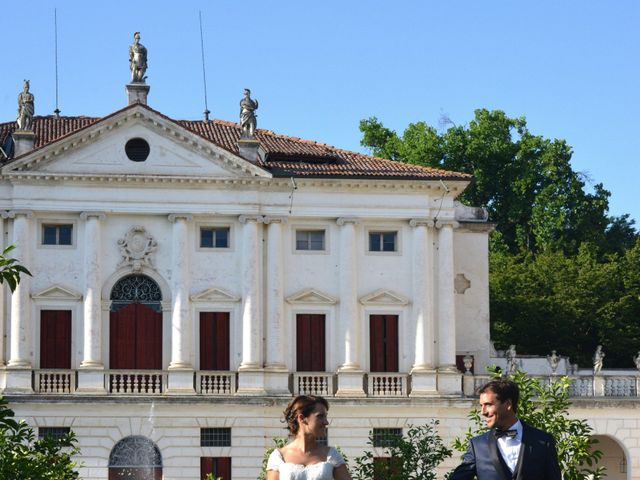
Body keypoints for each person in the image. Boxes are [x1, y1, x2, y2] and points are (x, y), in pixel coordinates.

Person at [450, 379, 561, 480]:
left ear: (508, 404)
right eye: (481, 405)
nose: (483, 411)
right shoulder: (477, 445)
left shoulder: (543, 441)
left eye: (488, 404)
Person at [267, 395, 351, 480]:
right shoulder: (279, 457)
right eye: (320, 416)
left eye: (325, 416)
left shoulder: (331, 455)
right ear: (302, 418)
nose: (326, 422)